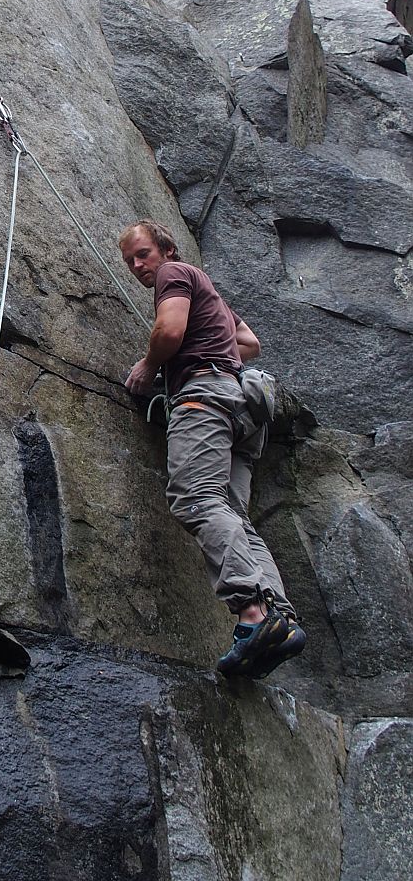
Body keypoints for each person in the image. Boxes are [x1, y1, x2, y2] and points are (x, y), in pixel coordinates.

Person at [119, 220, 306, 679]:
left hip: (205, 399)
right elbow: (250, 343)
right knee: (234, 516)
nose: (138, 266)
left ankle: (252, 613)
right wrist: (214, 358)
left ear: (165, 248)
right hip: (243, 409)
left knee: (196, 498)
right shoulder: (214, 298)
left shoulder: (175, 273)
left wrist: (150, 368)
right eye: (129, 262)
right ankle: (279, 619)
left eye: (143, 254)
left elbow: (168, 331)